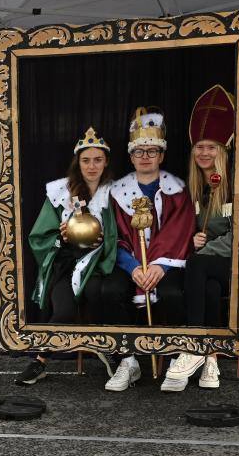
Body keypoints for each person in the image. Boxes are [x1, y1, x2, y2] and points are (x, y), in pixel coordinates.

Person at [15, 128, 117, 385]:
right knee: (64, 309)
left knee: (98, 294)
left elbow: (123, 234)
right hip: (65, 265)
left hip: (99, 264)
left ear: (106, 162)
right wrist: (61, 237)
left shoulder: (115, 194)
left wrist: (104, 241)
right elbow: (39, 237)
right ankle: (40, 360)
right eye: (86, 160)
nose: (92, 166)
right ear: (77, 162)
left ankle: (108, 350)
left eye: (97, 160)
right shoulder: (61, 193)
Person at [103, 107, 195, 392]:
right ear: (131, 156)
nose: (145, 157)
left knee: (173, 293)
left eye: (152, 151)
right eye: (139, 152)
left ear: (162, 155)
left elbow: (181, 232)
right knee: (108, 291)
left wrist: (159, 267)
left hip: (166, 265)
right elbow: (112, 237)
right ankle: (127, 360)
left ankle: (178, 358)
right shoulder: (116, 192)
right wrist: (133, 268)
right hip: (130, 264)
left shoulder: (178, 190)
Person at [161, 85, 236, 392]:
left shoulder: (237, 185)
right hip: (205, 268)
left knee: (200, 268)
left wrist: (208, 248)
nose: (204, 153)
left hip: (232, 263)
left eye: (212, 147)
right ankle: (212, 359)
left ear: (223, 151)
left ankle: (192, 344)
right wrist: (193, 240)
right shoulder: (191, 188)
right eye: (199, 147)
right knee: (208, 287)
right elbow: (183, 229)